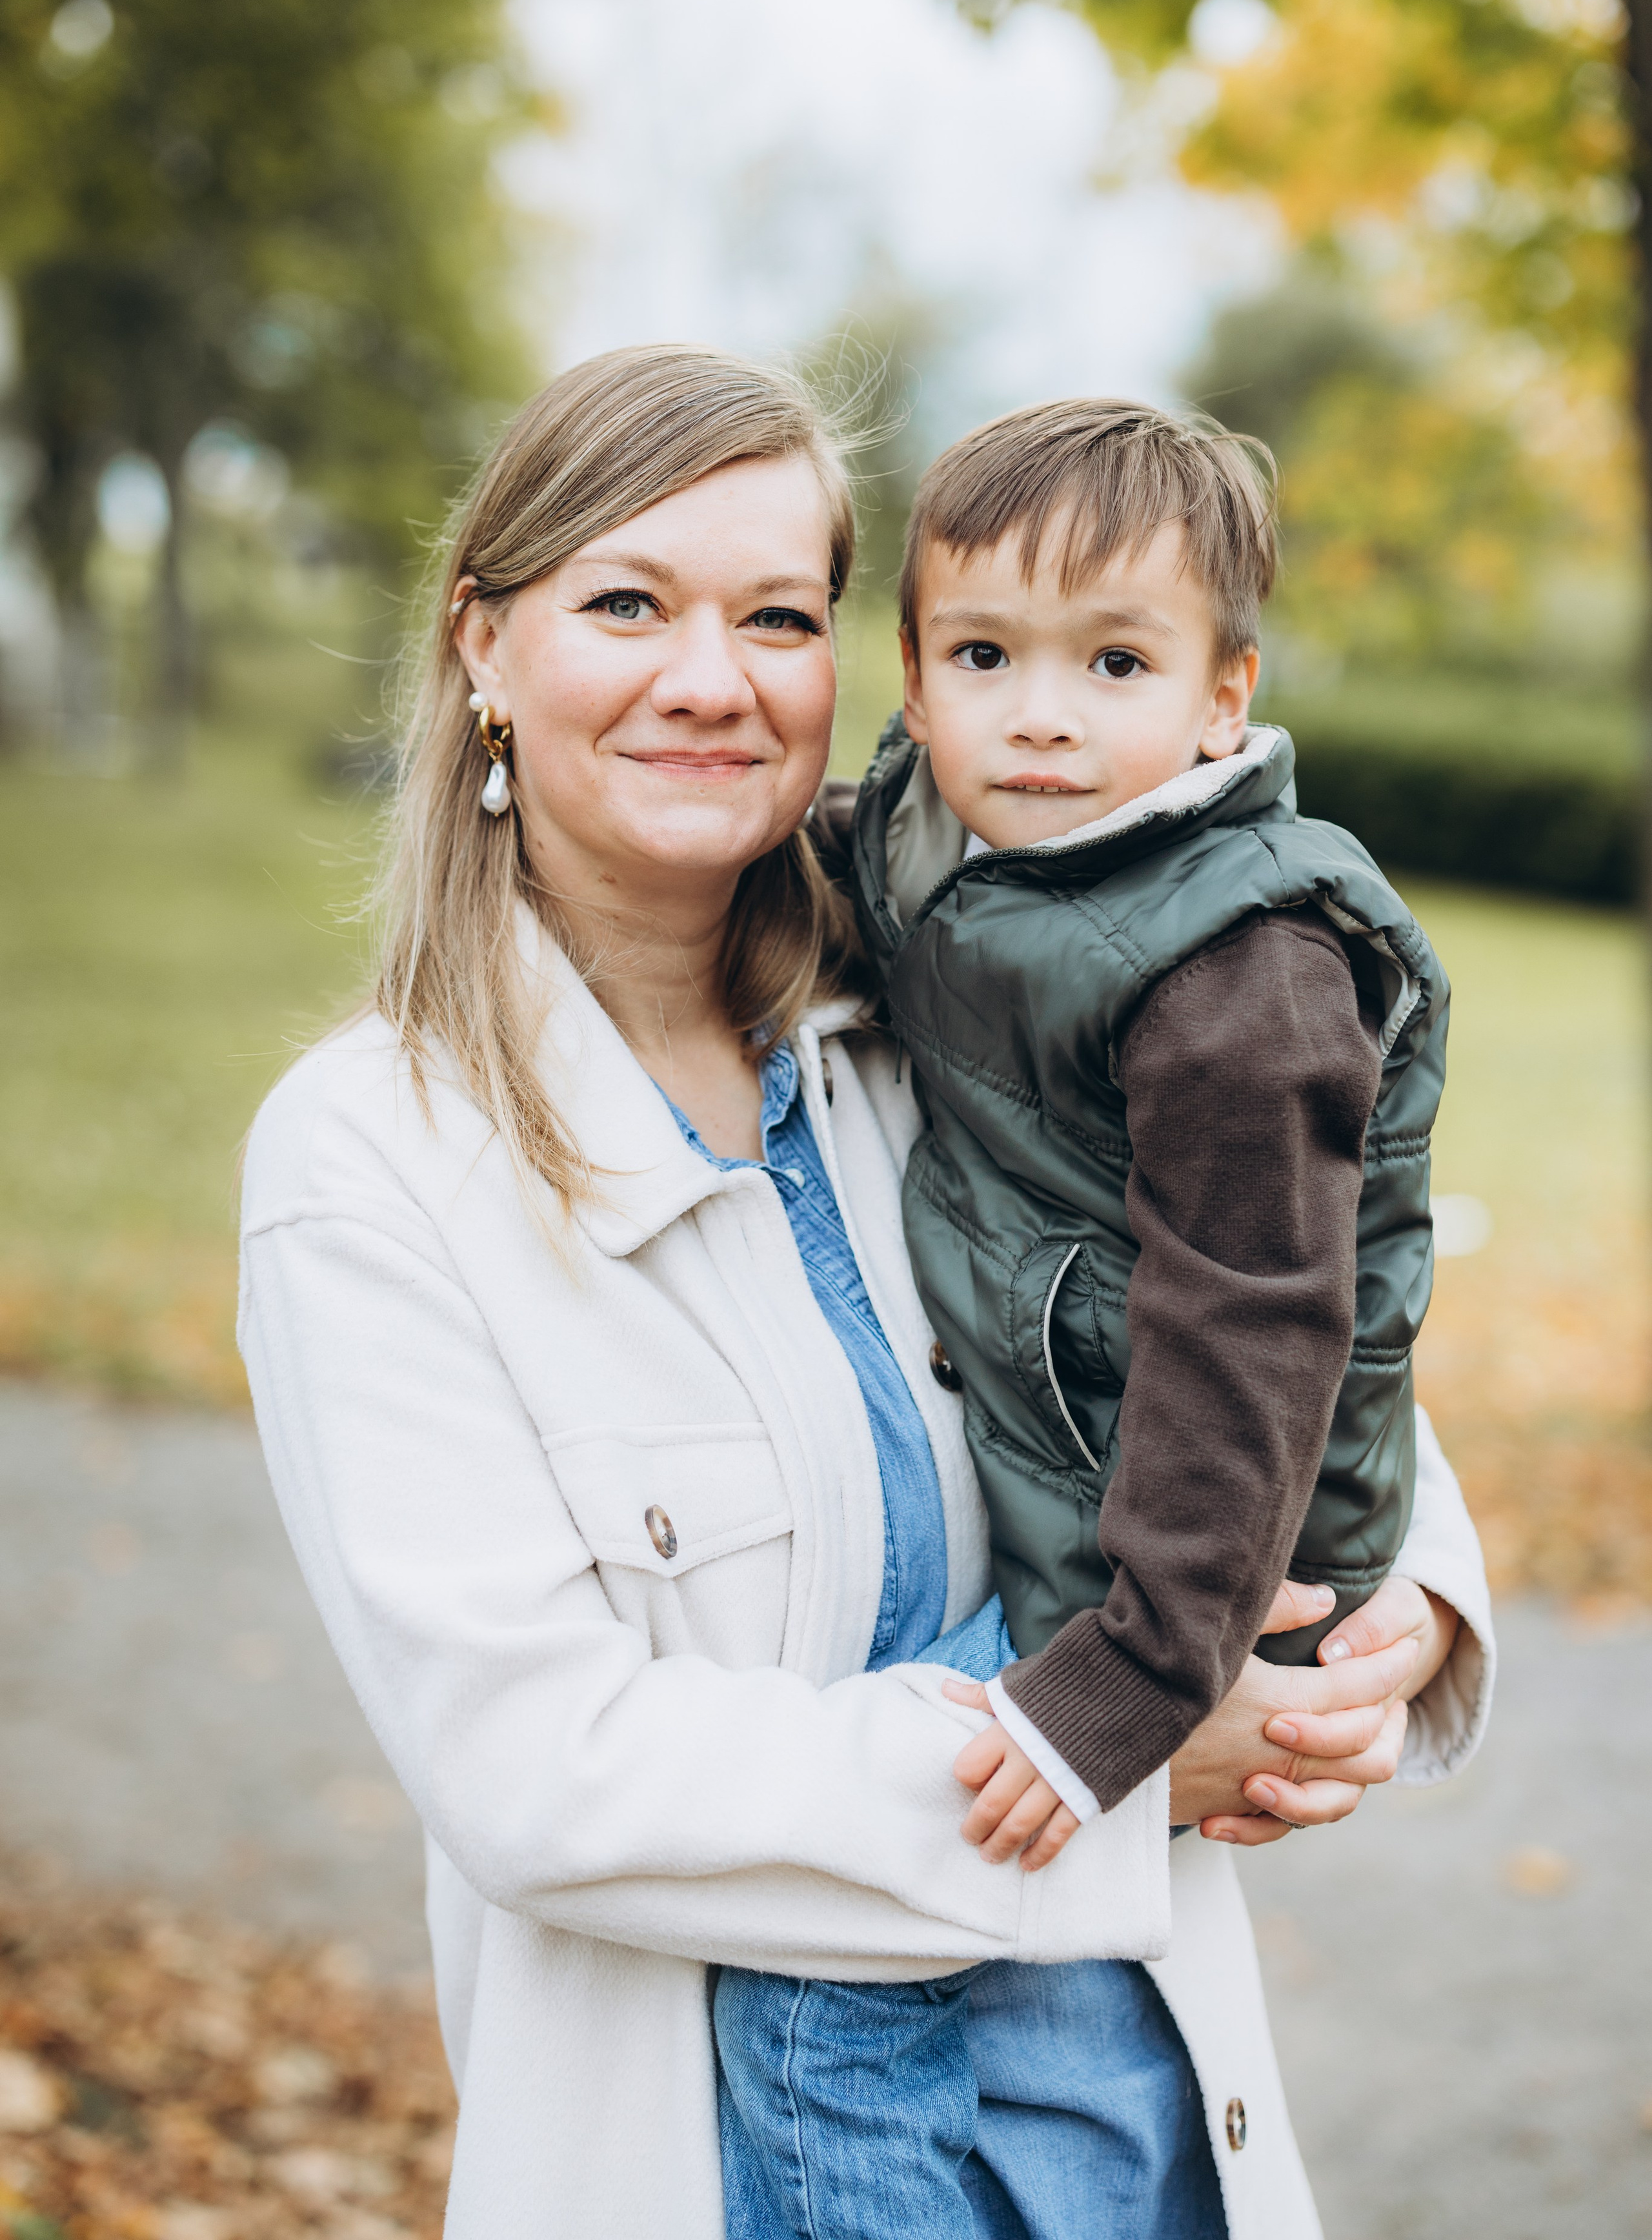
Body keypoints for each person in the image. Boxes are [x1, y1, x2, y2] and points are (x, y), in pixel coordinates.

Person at [237, 346, 1494, 2240]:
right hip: (742, 2162)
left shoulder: (944, 1006)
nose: (712, 677)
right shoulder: (373, 1163)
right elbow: (542, 1776)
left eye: (777, 613)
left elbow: (1234, 1305)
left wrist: (1399, 1601)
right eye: (627, 604)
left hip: (1127, 2134)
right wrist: (1108, 1753)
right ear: (484, 646)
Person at [712, 398, 1461, 2237]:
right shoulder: (955, 838)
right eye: (984, 656)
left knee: (888, 1952)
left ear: (1224, 697)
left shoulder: (1243, 972)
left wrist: (1125, 1679)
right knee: (994, 1990)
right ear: (918, 673)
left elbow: (1261, 1339)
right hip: (1098, 1461)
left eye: (1113, 660)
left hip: (1204, 1541)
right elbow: (849, 869)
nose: (1040, 711)